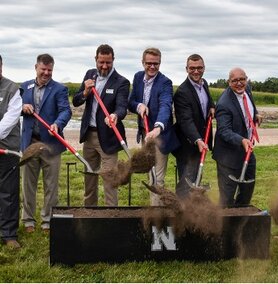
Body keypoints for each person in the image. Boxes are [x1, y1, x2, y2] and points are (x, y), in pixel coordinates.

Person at [73, 44, 130, 206]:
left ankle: (111, 216)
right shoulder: (89, 75)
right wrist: (85, 92)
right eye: (101, 62)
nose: (104, 66)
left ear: (113, 60)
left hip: (108, 137)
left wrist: (115, 115)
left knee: (110, 180)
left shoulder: (121, 82)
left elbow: (121, 107)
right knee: (89, 177)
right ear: (96, 60)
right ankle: (90, 213)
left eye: (108, 62)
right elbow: (76, 101)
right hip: (89, 136)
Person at [21, 54, 72, 232]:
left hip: (51, 144)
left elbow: (66, 111)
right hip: (30, 143)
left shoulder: (60, 89)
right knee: (28, 184)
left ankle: (47, 221)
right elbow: (14, 108)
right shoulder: (24, 87)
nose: (46, 73)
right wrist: (22, 107)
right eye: (43, 69)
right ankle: (28, 220)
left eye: (49, 70)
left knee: (51, 185)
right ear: (36, 67)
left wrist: (57, 124)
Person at [128, 47, 179, 205]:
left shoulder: (165, 83)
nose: (152, 67)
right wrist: (139, 106)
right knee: (150, 175)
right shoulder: (137, 78)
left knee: (157, 178)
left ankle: (157, 218)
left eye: (155, 64)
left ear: (160, 63)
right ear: (143, 62)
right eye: (148, 63)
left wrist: (158, 127)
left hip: (160, 137)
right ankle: (157, 210)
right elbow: (130, 102)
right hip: (145, 135)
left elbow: (165, 106)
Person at [212, 67, 262, 207]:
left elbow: (249, 103)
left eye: (242, 79)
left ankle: (240, 220)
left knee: (247, 191)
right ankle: (224, 225)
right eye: (235, 81)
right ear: (229, 82)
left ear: (246, 79)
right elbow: (224, 131)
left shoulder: (247, 89)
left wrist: (255, 114)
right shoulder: (224, 104)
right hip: (228, 156)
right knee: (227, 198)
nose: (239, 83)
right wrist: (241, 140)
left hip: (247, 151)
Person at [173, 54, 215, 198]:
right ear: (186, 69)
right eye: (192, 68)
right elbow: (185, 120)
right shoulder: (182, 92)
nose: (196, 71)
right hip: (188, 146)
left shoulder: (204, 84)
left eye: (199, 68)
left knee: (196, 179)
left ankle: (194, 213)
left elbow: (206, 102)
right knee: (186, 184)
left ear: (204, 68)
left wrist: (212, 107)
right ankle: (182, 214)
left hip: (201, 143)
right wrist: (197, 139)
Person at [0, 55, 22, 248]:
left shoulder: (12, 89)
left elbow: (11, 118)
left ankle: (9, 234)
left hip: (7, 149)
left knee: (8, 192)